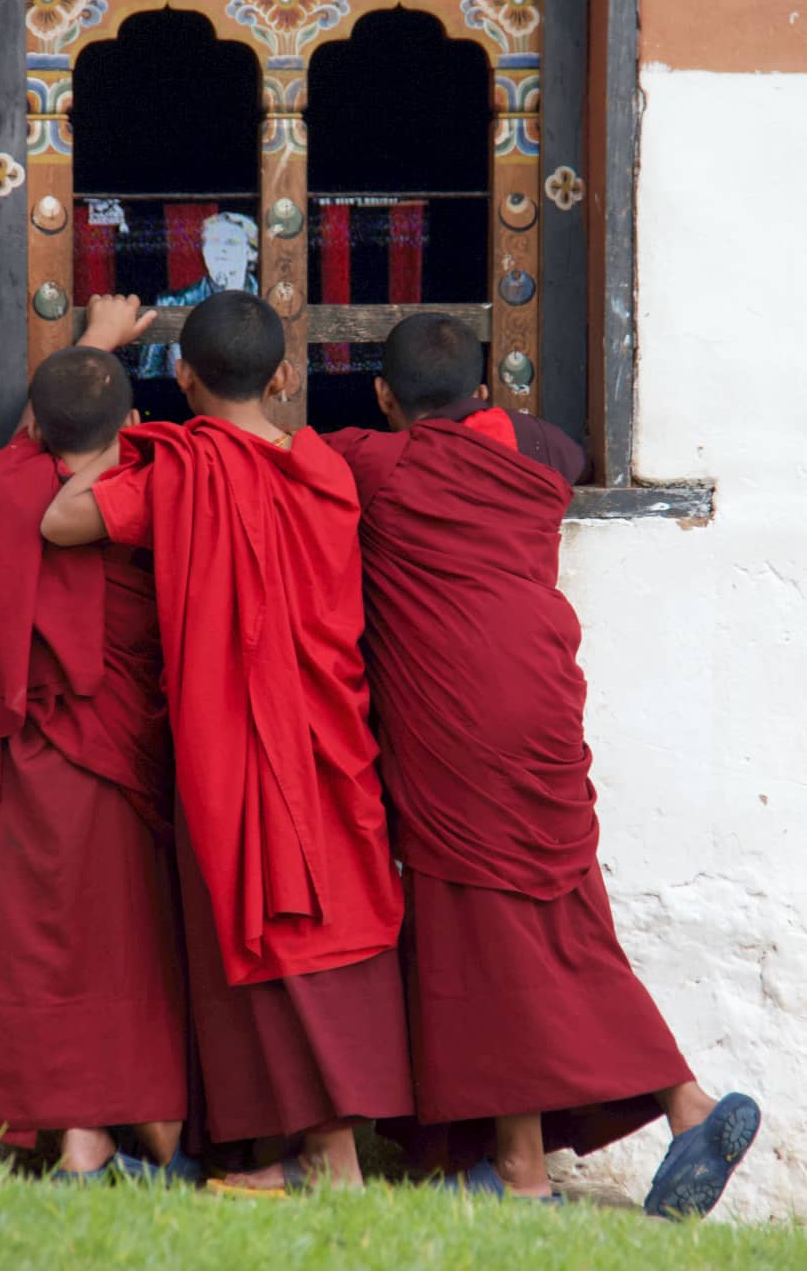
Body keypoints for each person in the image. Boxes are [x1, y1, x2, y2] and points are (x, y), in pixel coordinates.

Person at [325, 312, 760, 1217]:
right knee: (562, 914)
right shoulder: (535, 453)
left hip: (459, 720)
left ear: (382, 396)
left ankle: (525, 1170)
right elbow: (565, 447)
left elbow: (292, 463)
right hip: (544, 698)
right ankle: (684, 1104)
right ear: (483, 391)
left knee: (481, 932)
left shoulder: (377, 463)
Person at [41, 291, 413, 1193]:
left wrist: (133, 436)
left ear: (184, 374)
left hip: (240, 739)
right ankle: (313, 1155)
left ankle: (325, 1164)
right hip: (329, 732)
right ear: (286, 376)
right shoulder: (325, 468)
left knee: (270, 918)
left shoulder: (179, 470)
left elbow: (60, 522)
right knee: (325, 916)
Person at [0, 336, 196, 1183]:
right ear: (132, 421)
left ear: (36, 424)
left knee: (36, 942)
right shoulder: (149, 488)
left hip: (23, 758)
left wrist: (90, 348)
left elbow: (45, 439)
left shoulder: (5, 485)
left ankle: (79, 1138)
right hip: (116, 752)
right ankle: (130, 1138)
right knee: (126, 943)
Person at [138, 211, 259, 379]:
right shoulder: (173, 303)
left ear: (252, 253)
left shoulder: (271, 301)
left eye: (231, 242)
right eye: (213, 241)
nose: (221, 249)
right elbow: (149, 375)